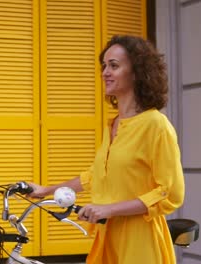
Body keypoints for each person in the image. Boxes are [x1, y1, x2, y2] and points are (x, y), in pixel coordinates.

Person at [28, 35, 185, 263]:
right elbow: (94, 176)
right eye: (104, 66)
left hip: (140, 240)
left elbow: (170, 193)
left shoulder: (155, 125)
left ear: (136, 72)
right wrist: (46, 190)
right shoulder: (114, 125)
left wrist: (108, 210)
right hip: (107, 235)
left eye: (114, 65)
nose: (105, 72)